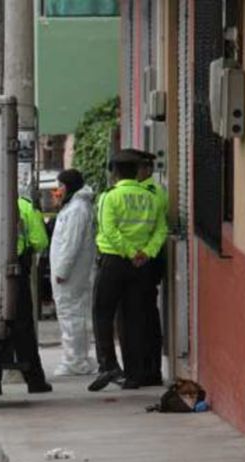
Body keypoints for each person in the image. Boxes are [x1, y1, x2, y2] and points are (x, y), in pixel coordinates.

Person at [88, 149, 161, 392]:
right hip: (141, 265)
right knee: (135, 319)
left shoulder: (109, 197)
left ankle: (108, 363)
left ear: (115, 173)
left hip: (114, 261)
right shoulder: (150, 197)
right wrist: (145, 253)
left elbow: (108, 230)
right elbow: (160, 230)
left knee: (102, 313)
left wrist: (129, 252)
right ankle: (134, 375)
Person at [0, 196, 53, 396]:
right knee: (23, 329)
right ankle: (35, 381)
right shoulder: (25, 205)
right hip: (17, 273)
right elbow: (40, 241)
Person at [49, 169, 98, 376]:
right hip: (70, 273)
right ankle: (77, 358)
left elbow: (71, 244)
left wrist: (62, 270)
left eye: (59, 186)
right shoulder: (74, 207)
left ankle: (76, 361)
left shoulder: (78, 209)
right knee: (72, 315)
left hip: (71, 274)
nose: (57, 191)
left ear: (68, 186)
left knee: (72, 315)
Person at [136, 154, 168, 386]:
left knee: (145, 316)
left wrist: (142, 254)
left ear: (146, 169)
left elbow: (158, 227)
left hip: (146, 260)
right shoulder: (145, 191)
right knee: (141, 316)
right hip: (142, 258)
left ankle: (149, 370)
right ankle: (144, 368)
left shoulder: (152, 193)